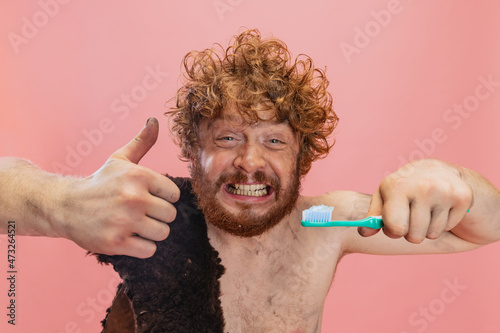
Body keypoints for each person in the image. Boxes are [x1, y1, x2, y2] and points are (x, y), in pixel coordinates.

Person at [1, 29, 499, 332]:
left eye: (275, 141)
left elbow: (487, 226)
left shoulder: (328, 225)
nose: (250, 161)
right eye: (227, 138)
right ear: (192, 151)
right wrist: (60, 200)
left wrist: (456, 182)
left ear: (304, 155)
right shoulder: (148, 213)